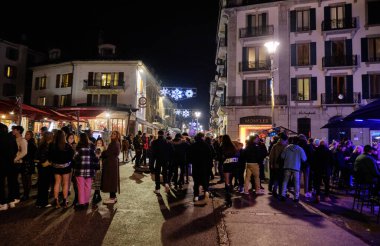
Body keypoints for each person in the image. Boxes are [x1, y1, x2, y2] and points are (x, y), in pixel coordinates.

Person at [48, 130, 75, 208]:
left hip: (56, 166)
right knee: (65, 183)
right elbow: (71, 156)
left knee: (57, 183)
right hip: (66, 167)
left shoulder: (52, 145)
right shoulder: (67, 146)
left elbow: (50, 156)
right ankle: (64, 201)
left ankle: (56, 201)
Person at [73, 133, 100, 209]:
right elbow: (96, 159)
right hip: (90, 171)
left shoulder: (79, 149)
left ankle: (81, 203)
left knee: (80, 187)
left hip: (80, 171)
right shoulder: (91, 148)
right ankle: (86, 202)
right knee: (88, 186)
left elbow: (74, 158)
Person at [280, 136, 307, 202]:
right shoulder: (300, 149)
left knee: (285, 181)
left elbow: (282, 156)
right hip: (296, 167)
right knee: (296, 183)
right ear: (298, 141)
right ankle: (296, 197)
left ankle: (283, 195)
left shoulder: (287, 147)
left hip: (287, 166)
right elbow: (304, 159)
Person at [0, 123, 18, 211]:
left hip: (1, 164)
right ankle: (11, 201)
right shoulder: (11, 138)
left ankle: (3, 203)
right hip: (11, 163)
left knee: (1, 184)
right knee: (11, 183)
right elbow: (16, 150)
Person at [101, 131, 121, 204]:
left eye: (114, 134)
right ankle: (113, 197)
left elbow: (107, 153)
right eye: (112, 133)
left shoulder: (114, 143)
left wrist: (102, 152)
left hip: (111, 164)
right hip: (112, 163)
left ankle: (112, 198)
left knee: (111, 180)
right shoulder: (115, 143)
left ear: (117, 136)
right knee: (112, 179)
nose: (112, 135)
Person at [219, 134, 239, 207]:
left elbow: (220, 156)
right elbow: (237, 154)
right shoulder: (232, 146)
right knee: (230, 181)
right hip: (234, 165)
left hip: (226, 165)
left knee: (227, 182)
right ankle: (229, 196)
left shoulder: (222, 146)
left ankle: (228, 199)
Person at [35, 132, 54, 208]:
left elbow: (37, 156)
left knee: (41, 185)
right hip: (45, 167)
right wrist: (48, 162)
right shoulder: (47, 146)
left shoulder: (41, 144)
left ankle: (39, 202)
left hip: (41, 167)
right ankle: (43, 202)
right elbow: (44, 158)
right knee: (45, 185)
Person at [21, 131, 37, 201]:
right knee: (26, 179)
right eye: (26, 134)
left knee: (26, 179)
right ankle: (26, 193)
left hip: (28, 163)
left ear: (31, 136)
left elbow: (33, 154)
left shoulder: (31, 144)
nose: (26, 135)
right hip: (26, 162)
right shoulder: (26, 142)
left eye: (27, 134)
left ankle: (26, 194)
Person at [92, 138, 106, 204]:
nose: (99, 144)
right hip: (95, 167)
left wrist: (100, 155)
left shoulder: (103, 149)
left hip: (100, 167)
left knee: (98, 180)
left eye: (100, 143)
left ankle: (96, 195)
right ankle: (98, 195)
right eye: (98, 143)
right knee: (96, 180)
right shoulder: (94, 149)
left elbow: (104, 157)